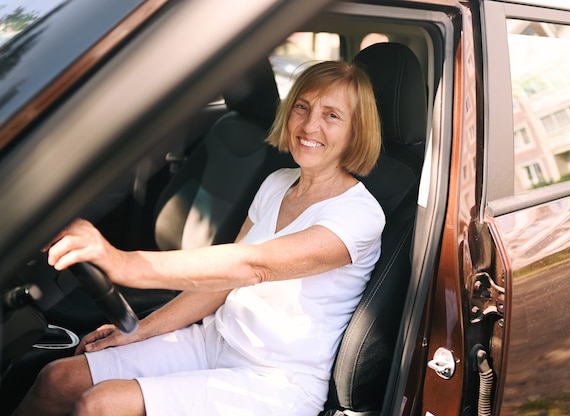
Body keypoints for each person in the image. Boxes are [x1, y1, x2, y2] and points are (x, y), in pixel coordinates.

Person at [13, 60, 384, 416]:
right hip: (213, 340)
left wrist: (122, 262)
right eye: (302, 107)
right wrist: (141, 330)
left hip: (275, 381)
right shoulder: (278, 182)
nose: (310, 125)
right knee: (59, 378)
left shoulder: (360, 215)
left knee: (102, 404)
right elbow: (222, 283)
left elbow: (252, 265)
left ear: (357, 130)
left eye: (332, 115)